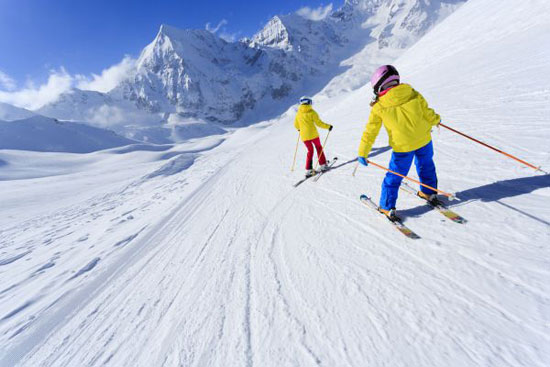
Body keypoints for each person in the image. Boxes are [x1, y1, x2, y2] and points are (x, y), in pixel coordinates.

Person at [357, 65, 441, 220]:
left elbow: (370, 132)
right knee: (426, 165)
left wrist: (363, 152)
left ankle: (387, 207)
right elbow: (427, 112)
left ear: (378, 87)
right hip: (424, 140)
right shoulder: (412, 93)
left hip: (403, 148)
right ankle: (429, 192)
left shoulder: (379, 106)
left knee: (395, 176)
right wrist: (436, 120)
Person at [294, 96, 333, 177]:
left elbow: (296, 125)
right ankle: (323, 165)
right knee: (319, 148)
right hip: (314, 135)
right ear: (309, 103)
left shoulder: (298, 113)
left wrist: (299, 129)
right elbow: (319, 123)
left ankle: (308, 169)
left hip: (304, 137)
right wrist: (328, 126)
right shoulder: (312, 112)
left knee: (310, 151)